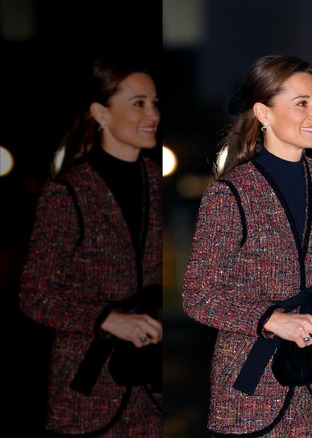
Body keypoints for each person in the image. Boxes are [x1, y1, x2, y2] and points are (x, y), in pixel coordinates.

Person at [181, 54, 312, 437]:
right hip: (252, 392)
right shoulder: (230, 193)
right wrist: (271, 319)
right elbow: (198, 294)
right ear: (263, 113)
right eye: (301, 103)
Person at [18, 55, 163, 436]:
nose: (153, 114)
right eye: (138, 103)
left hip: (151, 391)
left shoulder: (158, 183)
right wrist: (105, 319)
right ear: (100, 113)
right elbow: (35, 293)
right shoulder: (68, 193)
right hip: (89, 394)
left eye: (154, 102)